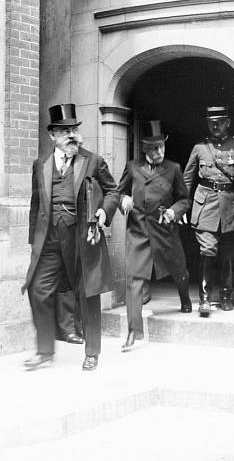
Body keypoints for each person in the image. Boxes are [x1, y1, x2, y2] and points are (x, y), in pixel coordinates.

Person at [22, 103, 120, 372]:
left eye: (74, 129)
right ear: (52, 135)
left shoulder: (93, 160)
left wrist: (103, 212)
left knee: (88, 293)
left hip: (82, 238)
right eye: (64, 131)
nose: (72, 135)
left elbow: (113, 191)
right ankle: (44, 351)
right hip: (50, 240)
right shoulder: (40, 164)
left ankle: (92, 352)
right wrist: (35, 242)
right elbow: (35, 205)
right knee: (37, 290)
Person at [117, 120, 192, 352]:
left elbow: (184, 199)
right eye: (154, 148)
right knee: (134, 279)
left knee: (179, 270)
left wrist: (174, 211)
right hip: (138, 230)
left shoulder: (174, 168)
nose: (159, 152)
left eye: (161, 147)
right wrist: (123, 200)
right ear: (144, 149)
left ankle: (185, 298)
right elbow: (118, 192)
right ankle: (132, 331)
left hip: (164, 229)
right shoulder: (132, 168)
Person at [183, 106, 234, 316]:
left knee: (228, 254)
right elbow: (187, 179)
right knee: (207, 251)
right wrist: (184, 204)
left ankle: (226, 295)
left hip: (231, 206)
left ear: (228, 122)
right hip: (205, 205)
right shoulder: (200, 147)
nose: (215, 125)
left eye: (219, 121)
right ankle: (205, 298)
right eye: (211, 122)